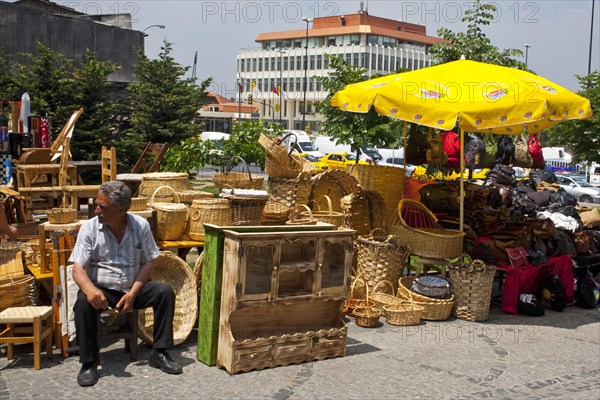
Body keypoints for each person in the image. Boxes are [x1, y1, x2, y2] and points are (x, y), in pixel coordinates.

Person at [70, 180, 182, 387]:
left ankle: (160, 352)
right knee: (83, 304)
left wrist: (132, 294)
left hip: (133, 288)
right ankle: (89, 363)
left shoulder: (140, 226)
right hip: (102, 289)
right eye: (97, 204)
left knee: (164, 292)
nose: (96, 209)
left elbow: (149, 262)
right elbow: (78, 268)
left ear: (120, 209)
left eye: (102, 207)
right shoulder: (90, 228)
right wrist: (90, 290)